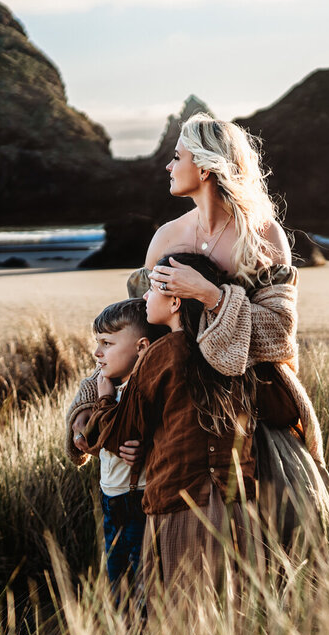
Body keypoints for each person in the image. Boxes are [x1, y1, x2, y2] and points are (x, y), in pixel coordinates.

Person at [84, 252, 301, 588]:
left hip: (180, 499)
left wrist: (101, 397)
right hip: (237, 497)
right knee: (236, 605)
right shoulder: (230, 348)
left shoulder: (162, 354)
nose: (144, 297)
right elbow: (283, 409)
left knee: (181, 613)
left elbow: (120, 431)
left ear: (174, 304)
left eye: (154, 289)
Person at [67, 298, 168, 586]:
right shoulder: (105, 382)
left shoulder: (143, 392)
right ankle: (122, 628)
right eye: (97, 343)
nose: (97, 353)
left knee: (143, 580)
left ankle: (142, 629)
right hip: (110, 498)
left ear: (142, 347)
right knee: (116, 578)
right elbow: (91, 433)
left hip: (138, 499)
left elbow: (119, 431)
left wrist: (104, 402)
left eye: (107, 344)